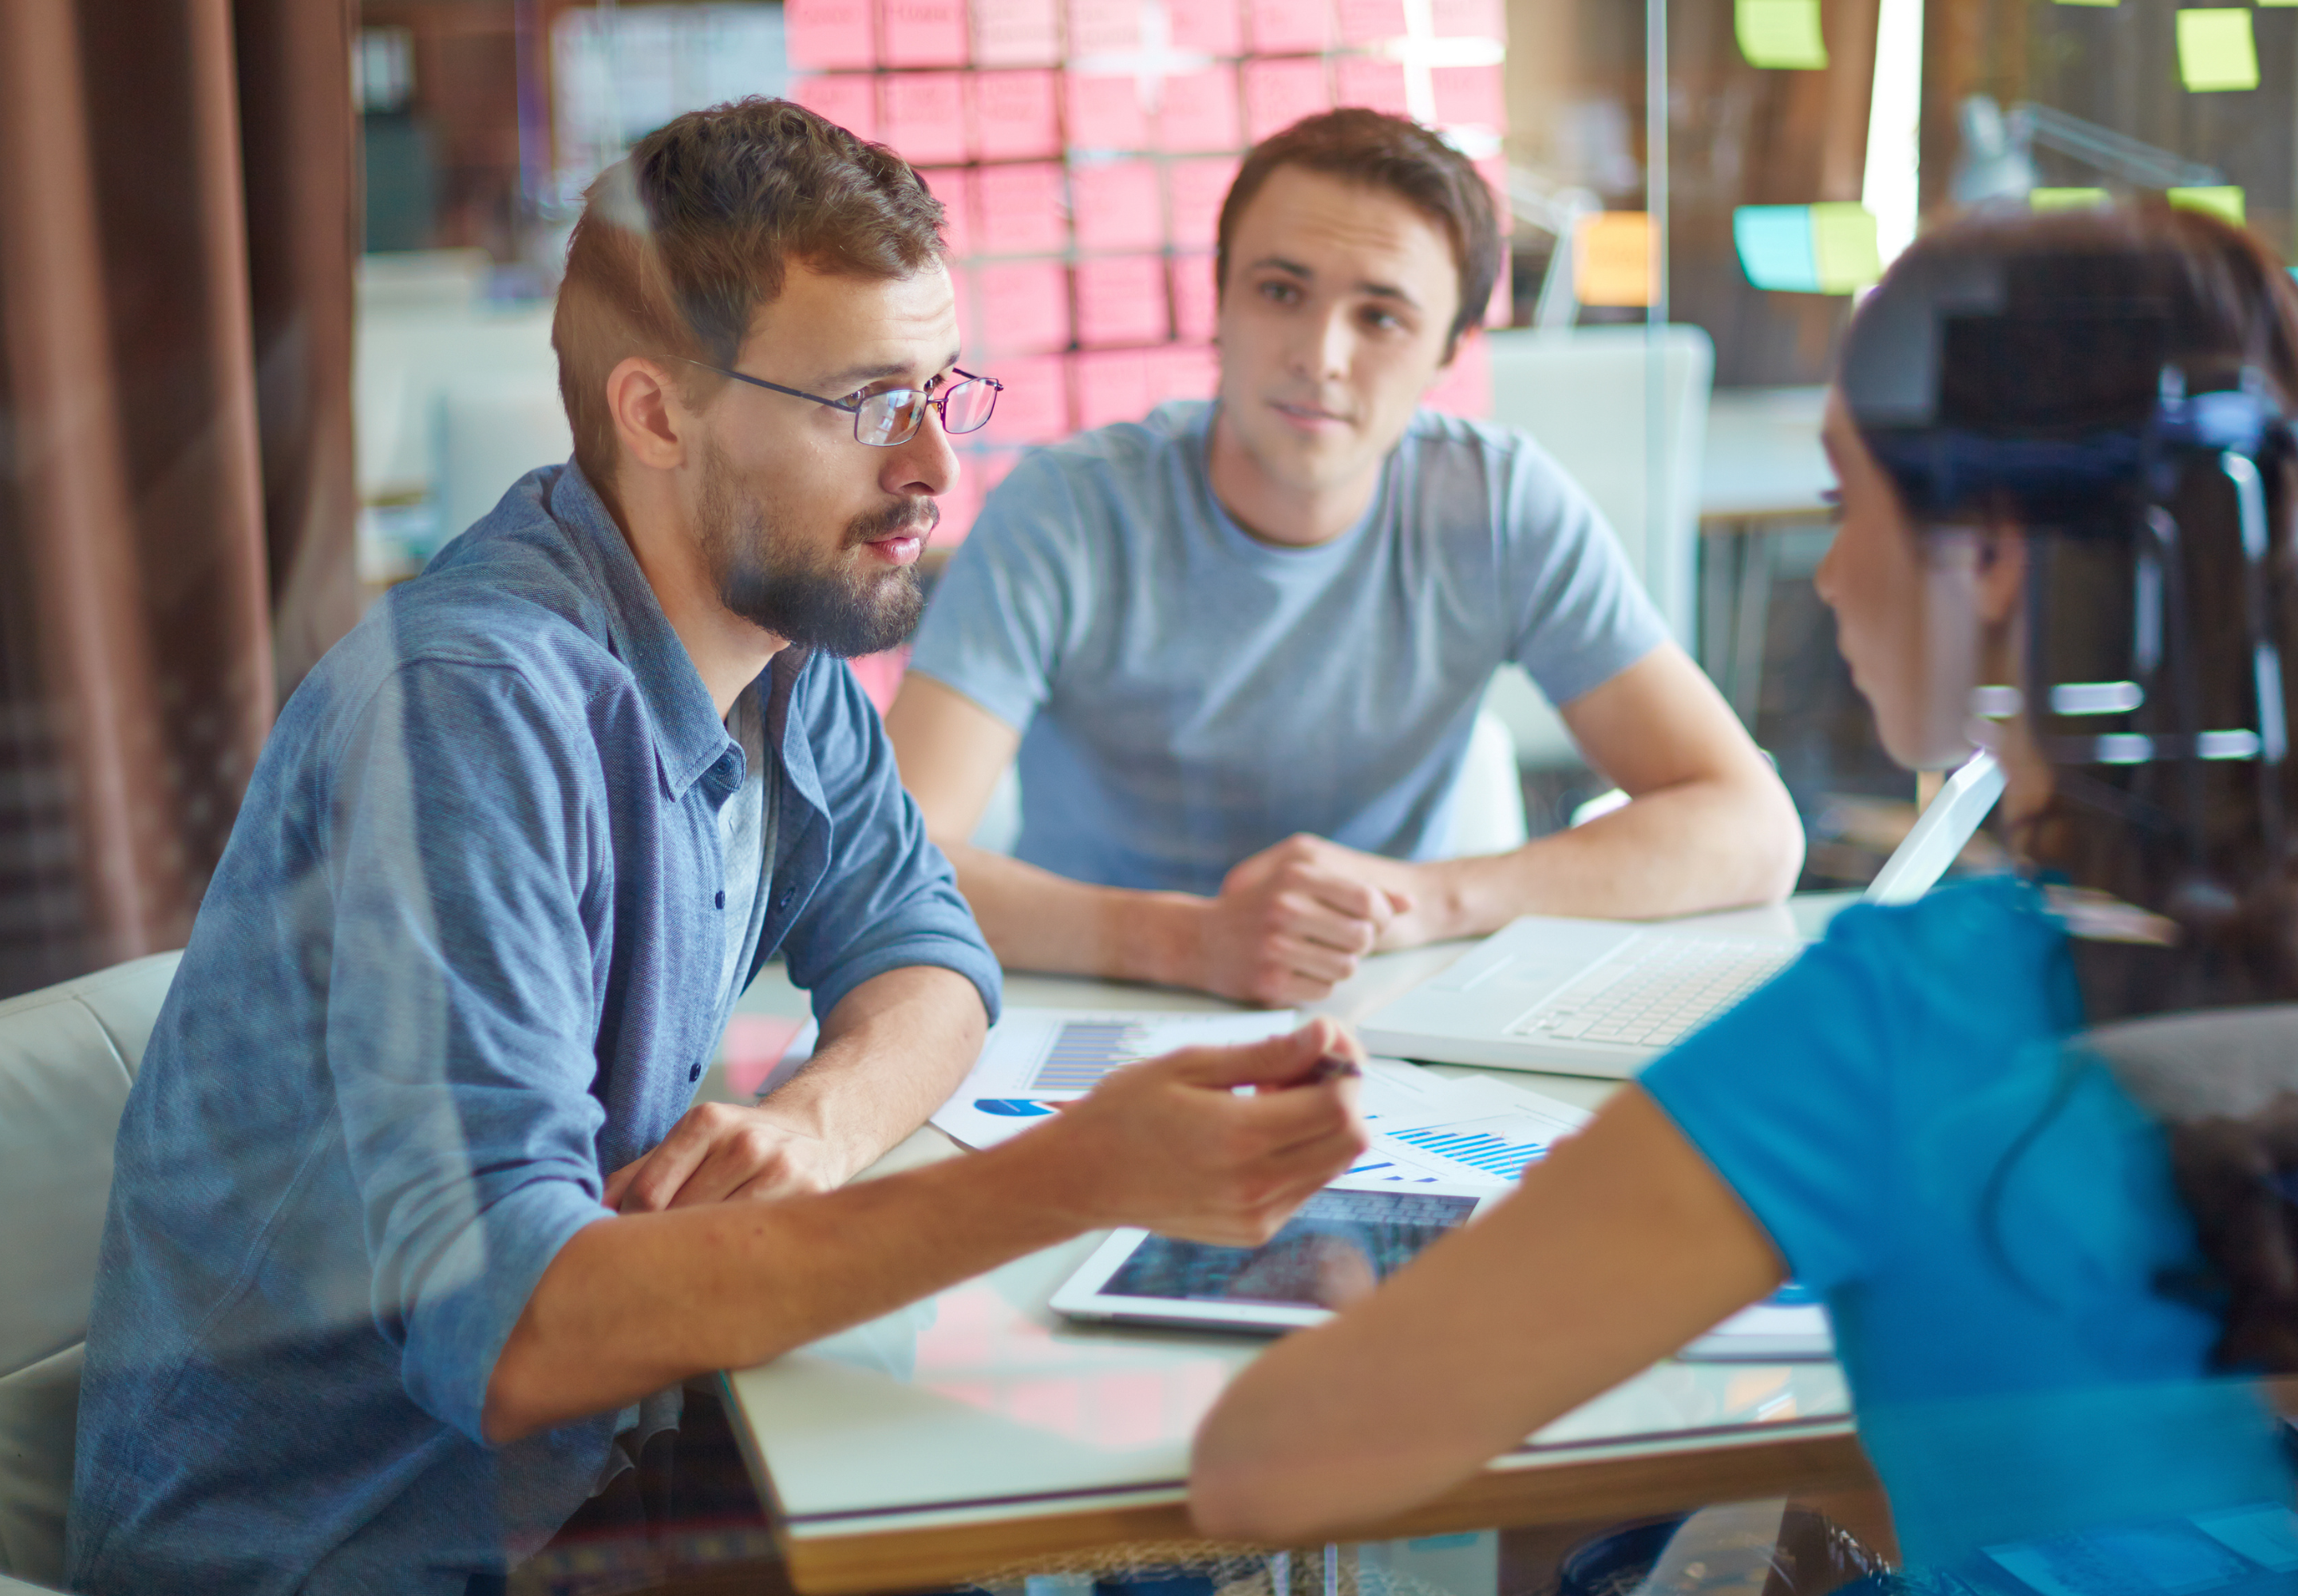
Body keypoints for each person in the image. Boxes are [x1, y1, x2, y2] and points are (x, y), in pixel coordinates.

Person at [67, 100, 1366, 1595]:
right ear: (660, 413)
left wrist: (814, 1129)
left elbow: (924, 953)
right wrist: (1077, 1176)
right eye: (872, 400)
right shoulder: (468, 719)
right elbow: (514, 1331)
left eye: (942, 387)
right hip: (353, 1553)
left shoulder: (769, 642)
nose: (940, 464)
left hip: (573, 1483)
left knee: (1151, 1526)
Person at [1189, 206, 2298, 1575]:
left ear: (1986, 551)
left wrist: (1348, 1295)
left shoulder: (1911, 1014)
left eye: (1843, 504)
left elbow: (1267, 1472)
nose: (1826, 572)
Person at [886, 109, 1804, 1005]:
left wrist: (1429, 900)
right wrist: (1193, 941)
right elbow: (888, 862)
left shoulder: (1499, 504)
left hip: (1392, 1006)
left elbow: (1753, 829)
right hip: (1094, 1012)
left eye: (1382, 317)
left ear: (1450, 350)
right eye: (1281, 291)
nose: (1320, 355)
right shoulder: (1069, 510)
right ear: (1221, 303)